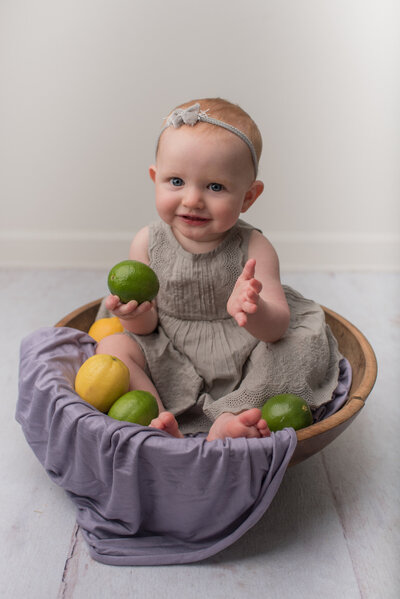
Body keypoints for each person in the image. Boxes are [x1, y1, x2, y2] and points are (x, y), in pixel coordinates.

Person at [96, 98, 340, 441]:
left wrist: (252, 311)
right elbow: (146, 329)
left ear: (248, 197)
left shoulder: (254, 247)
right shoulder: (147, 243)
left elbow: (275, 329)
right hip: (170, 354)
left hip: (243, 358)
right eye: (176, 181)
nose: (193, 199)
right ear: (155, 178)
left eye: (215, 187)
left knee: (296, 348)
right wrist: (135, 314)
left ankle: (231, 417)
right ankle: (159, 420)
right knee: (113, 348)